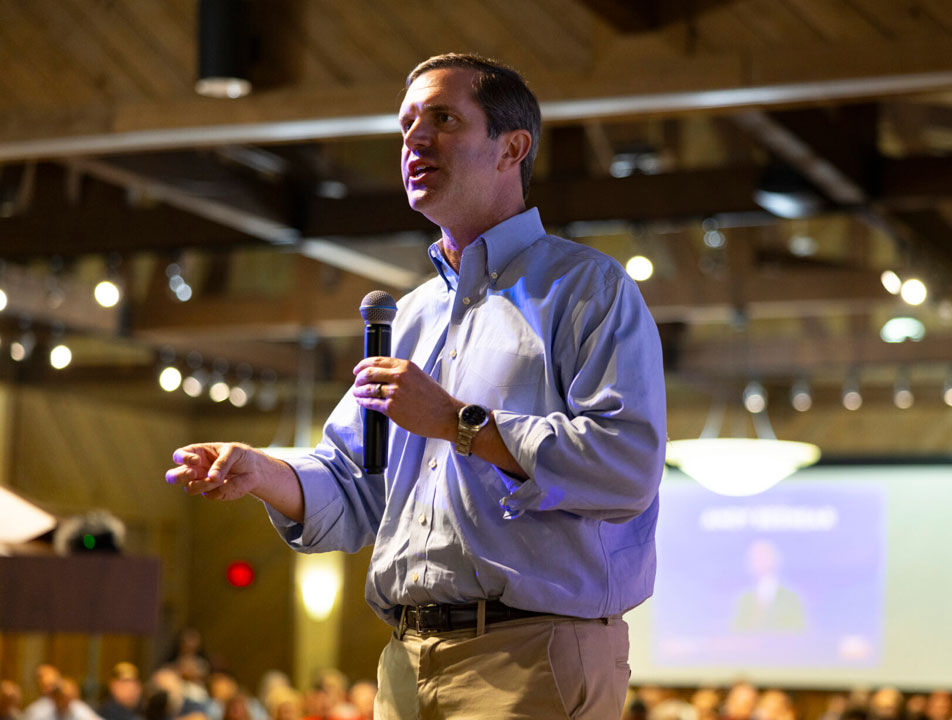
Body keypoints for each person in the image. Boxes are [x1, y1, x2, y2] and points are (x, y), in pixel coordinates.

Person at [166, 52, 667, 720]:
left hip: (529, 655)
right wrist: (263, 473)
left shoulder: (588, 291)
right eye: (406, 125)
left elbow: (626, 466)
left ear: (511, 147)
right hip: (405, 662)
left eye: (443, 118)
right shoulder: (411, 317)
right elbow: (353, 482)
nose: (414, 140)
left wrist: (461, 423)